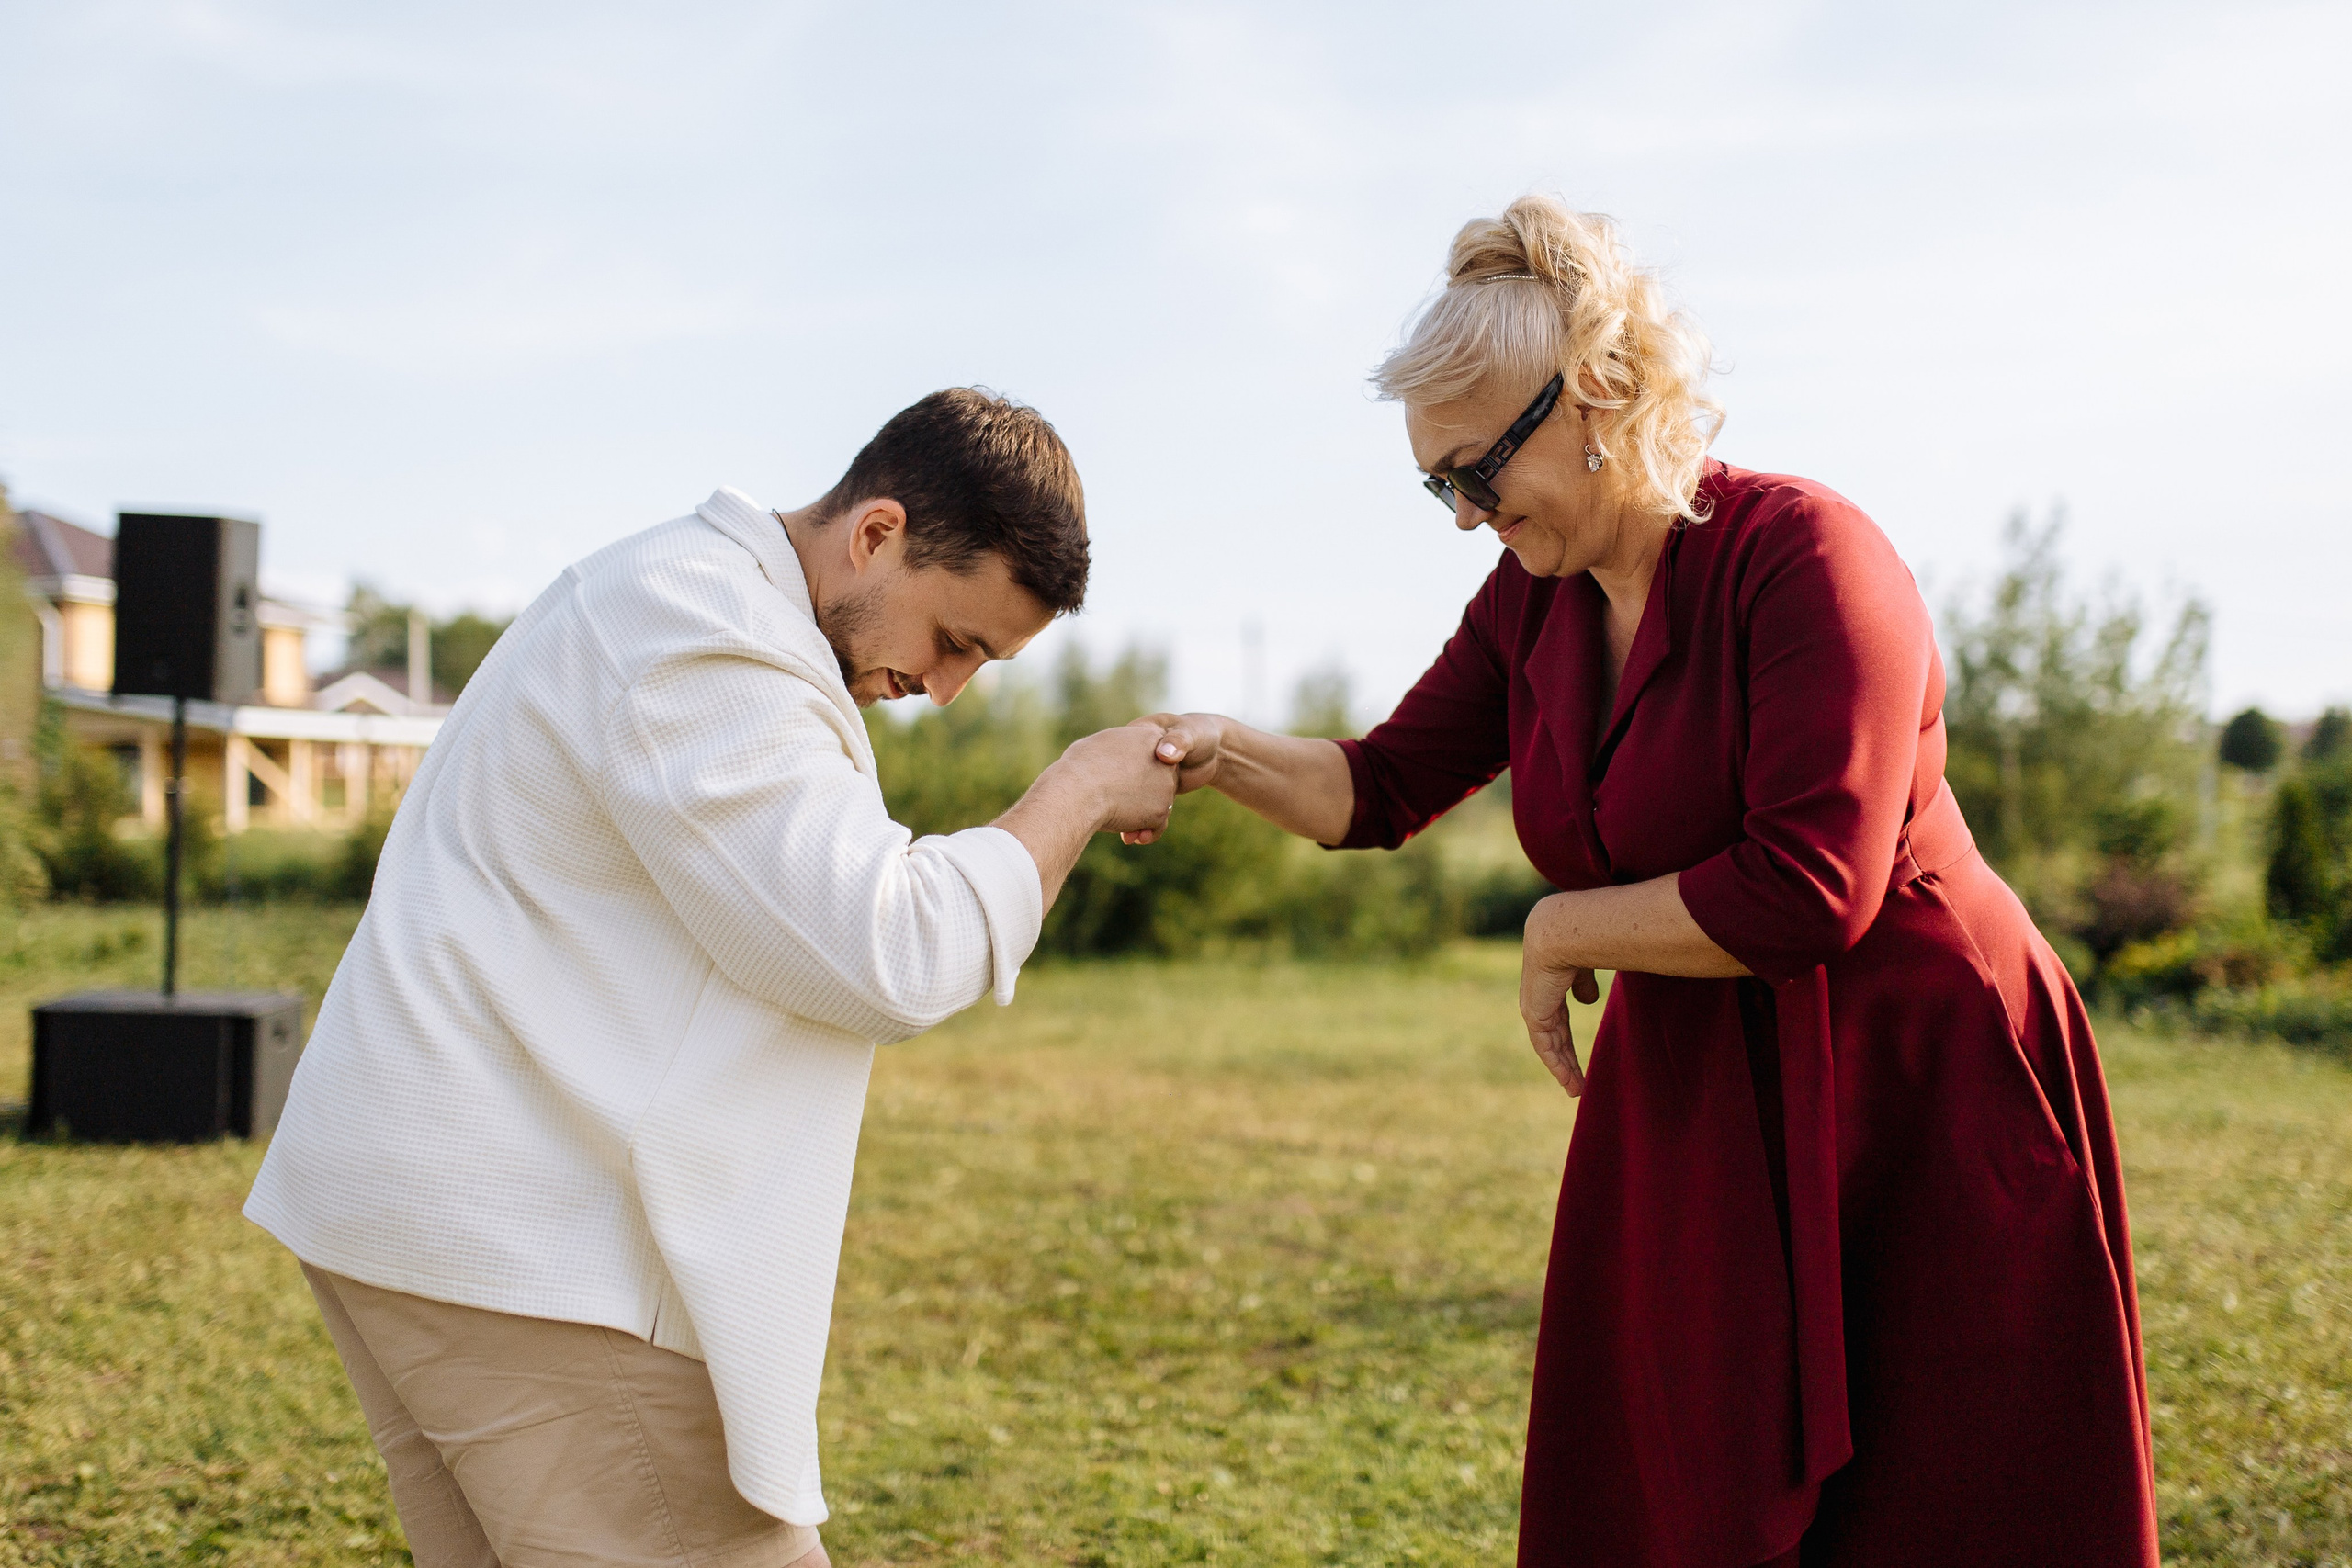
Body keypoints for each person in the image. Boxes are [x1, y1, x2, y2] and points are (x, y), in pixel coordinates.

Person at [1146, 198, 2158, 1567]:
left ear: (1602, 393)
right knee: (1677, 1487)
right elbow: (1377, 784)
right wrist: (1208, 752)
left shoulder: (1811, 556)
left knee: (1943, 1496)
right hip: (1695, 1085)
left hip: (1912, 1078)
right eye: (1433, 484)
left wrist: (1563, 925)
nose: (1461, 517)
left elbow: (1811, 887)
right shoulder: (1532, 598)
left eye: (1476, 471)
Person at [245, 389, 1179, 1567]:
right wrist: (1079, 794)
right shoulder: (700, 631)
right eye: (954, 641)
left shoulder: (678, 602)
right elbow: (885, 948)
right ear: (876, 534)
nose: (941, 690)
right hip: (535, 1243)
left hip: (456, 1222)